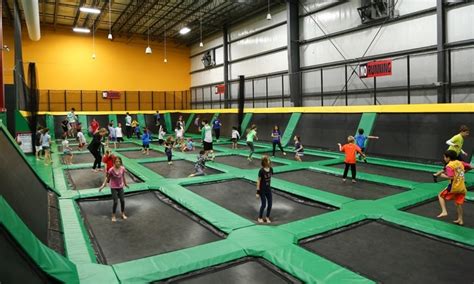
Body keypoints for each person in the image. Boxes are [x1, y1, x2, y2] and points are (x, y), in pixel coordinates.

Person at [435, 150, 471, 226]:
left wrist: (441, 175)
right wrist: (463, 172)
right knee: (458, 204)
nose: (444, 158)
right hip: (462, 188)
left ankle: (444, 211)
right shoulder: (460, 162)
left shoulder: (449, 166)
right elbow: (471, 167)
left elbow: (451, 177)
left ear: (448, 158)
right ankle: (460, 220)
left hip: (454, 187)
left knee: (440, 195)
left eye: (444, 157)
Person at [99, 157, 129, 222]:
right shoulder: (111, 170)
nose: (118, 163)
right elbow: (107, 178)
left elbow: (123, 176)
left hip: (120, 187)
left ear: (120, 162)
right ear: (114, 162)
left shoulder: (122, 168)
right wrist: (103, 186)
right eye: (116, 161)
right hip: (113, 187)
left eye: (119, 161)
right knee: (115, 201)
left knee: (122, 200)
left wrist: (125, 184)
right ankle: (113, 215)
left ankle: (122, 213)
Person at [256, 155, 273, 223]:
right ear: (265, 162)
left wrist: (269, 186)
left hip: (268, 189)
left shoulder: (271, 169)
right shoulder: (261, 171)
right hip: (262, 190)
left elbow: (270, 179)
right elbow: (258, 181)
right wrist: (257, 192)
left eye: (269, 160)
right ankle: (260, 217)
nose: (269, 161)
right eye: (268, 160)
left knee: (270, 204)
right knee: (264, 204)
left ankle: (267, 217)